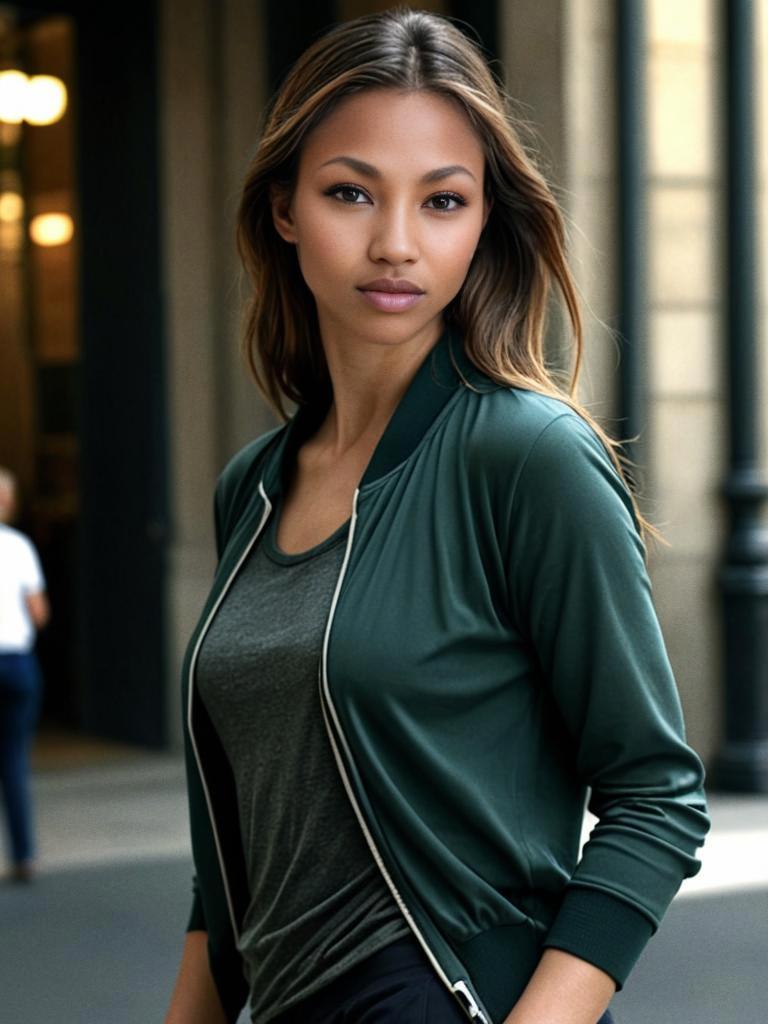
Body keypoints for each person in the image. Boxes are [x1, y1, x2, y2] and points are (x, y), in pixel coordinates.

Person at [166, 9, 710, 1024]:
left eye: (444, 200)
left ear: (485, 221)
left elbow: (654, 796)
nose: (395, 243)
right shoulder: (251, 486)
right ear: (283, 209)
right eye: (349, 193)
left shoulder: (525, 456)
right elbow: (235, 860)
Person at [0, 468, 49, 883]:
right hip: (16, 662)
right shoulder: (18, 546)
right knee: (13, 761)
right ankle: (23, 855)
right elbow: (39, 612)